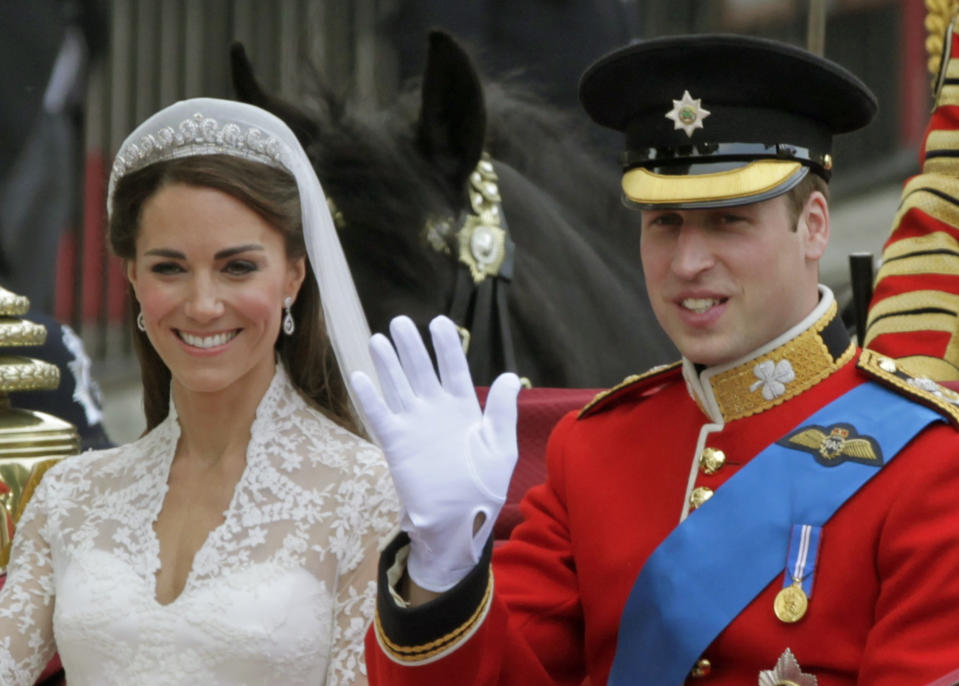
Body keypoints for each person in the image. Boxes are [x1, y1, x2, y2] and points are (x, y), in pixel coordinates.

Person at [353, 34, 959, 685]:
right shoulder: (591, 450)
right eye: (663, 222)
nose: (686, 263)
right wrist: (442, 566)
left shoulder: (927, 465)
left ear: (812, 225)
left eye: (727, 220)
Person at [0, 97, 399, 685]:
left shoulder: (367, 492)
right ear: (133, 276)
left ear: (294, 274)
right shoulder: (70, 494)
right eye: (169, 268)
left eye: (237, 267)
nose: (204, 304)